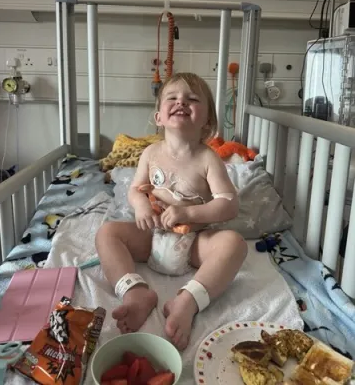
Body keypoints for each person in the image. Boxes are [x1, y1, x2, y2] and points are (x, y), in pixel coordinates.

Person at [95, 72, 248, 350]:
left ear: (208, 122)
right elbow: (136, 189)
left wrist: (188, 214)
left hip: (194, 244)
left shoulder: (207, 158)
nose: (181, 102)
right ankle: (135, 293)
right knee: (107, 233)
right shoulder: (151, 153)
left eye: (191, 99)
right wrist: (141, 206)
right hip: (151, 235)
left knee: (234, 245)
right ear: (159, 117)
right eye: (172, 98)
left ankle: (186, 302)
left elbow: (229, 203)